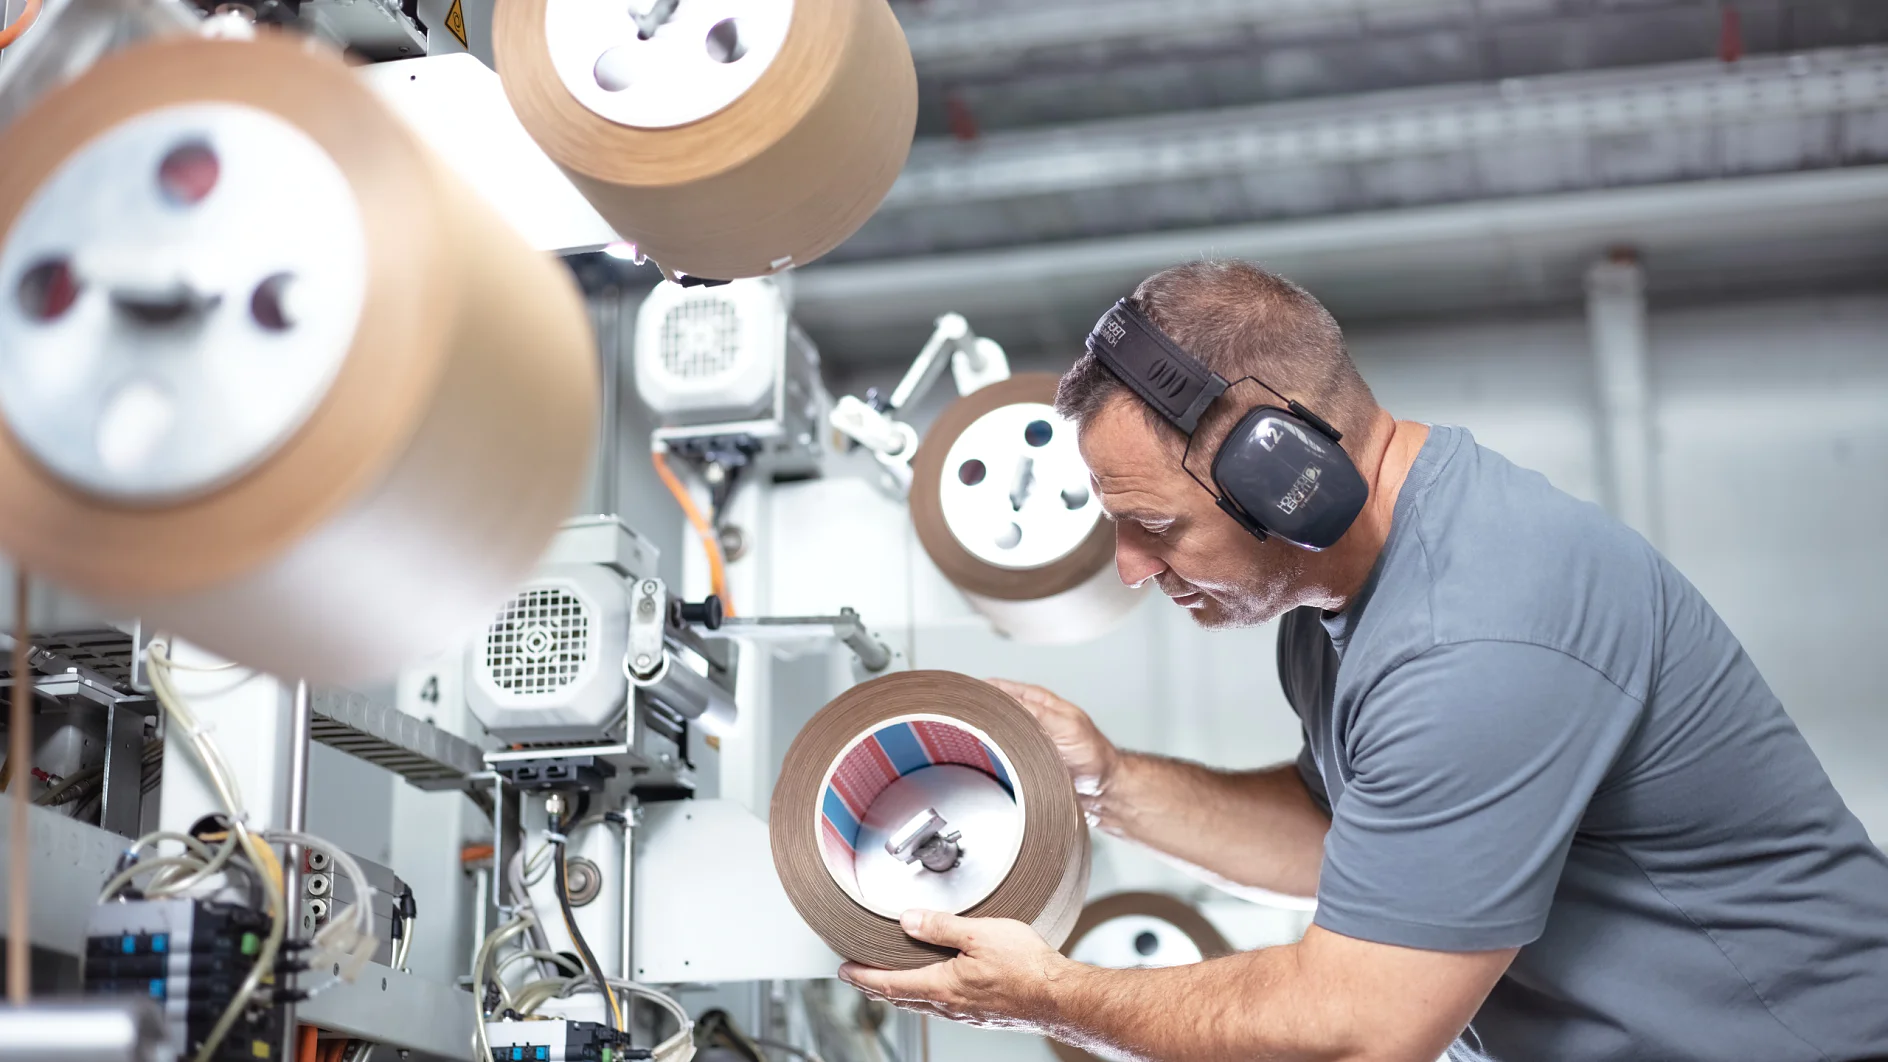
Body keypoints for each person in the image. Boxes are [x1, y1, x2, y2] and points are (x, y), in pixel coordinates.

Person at [838, 259, 1888, 1061]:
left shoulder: (1476, 630)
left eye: (1151, 524)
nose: (1126, 567)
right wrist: (1105, 782)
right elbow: (1356, 847)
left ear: (1283, 475)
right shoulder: (1330, 601)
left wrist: (1047, 996)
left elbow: (1361, 1032)